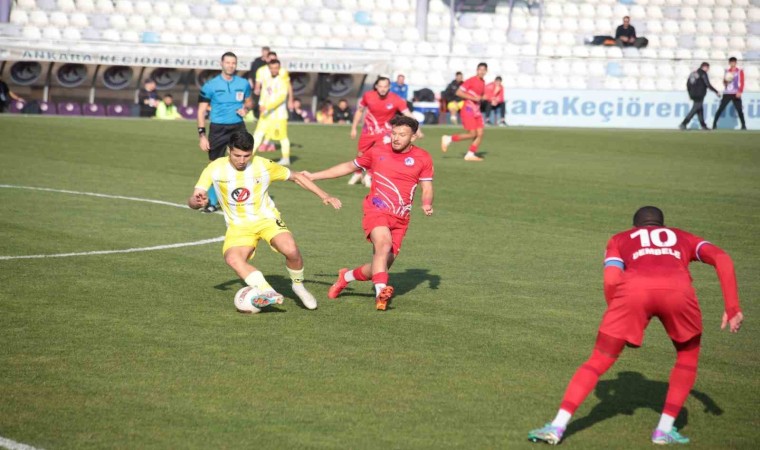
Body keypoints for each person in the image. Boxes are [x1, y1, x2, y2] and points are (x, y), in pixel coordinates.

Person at [528, 206, 743, 445]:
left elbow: (611, 278)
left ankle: (557, 427)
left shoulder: (620, 239)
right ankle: (663, 430)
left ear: (635, 227)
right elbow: (722, 258)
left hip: (633, 293)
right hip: (678, 292)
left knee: (599, 358)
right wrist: (732, 307)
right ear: (662, 225)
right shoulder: (683, 236)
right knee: (687, 356)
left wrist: (619, 314)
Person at [188, 130, 341, 311]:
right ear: (229, 150)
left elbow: (297, 176)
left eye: (247, 155)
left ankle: (298, 286)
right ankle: (268, 292)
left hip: (266, 219)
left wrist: (324, 195)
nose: (242, 160)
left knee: (291, 250)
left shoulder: (263, 165)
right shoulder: (215, 168)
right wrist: (197, 201)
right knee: (233, 259)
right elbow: (193, 200)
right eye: (237, 155)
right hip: (239, 226)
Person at [302, 116, 434, 311]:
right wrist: (314, 175)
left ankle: (345, 277)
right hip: (376, 209)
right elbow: (348, 167)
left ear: (413, 137)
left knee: (380, 265)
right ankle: (381, 292)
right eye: (394, 133)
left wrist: (426, 203)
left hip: (401, 217)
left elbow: (427, 186)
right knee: (383, 244)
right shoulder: (378, 151)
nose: (396, 138)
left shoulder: (423, 157)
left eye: (402, 135)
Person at [197, 52, 252, 213]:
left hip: (238, 127)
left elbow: (249, 101)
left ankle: (243, 200)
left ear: (236, 65)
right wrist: (202, 135)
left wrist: (246, 108)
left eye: (233, 63)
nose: (230, 65)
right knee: (215, 166)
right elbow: (201, 111)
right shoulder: (210, 85)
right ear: (221, 63)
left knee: (243, 163)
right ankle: (213, 202)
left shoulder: (243, 83)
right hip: (218, 129)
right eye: (227, 62)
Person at [349, 76, 422, 186]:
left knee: (380, 153)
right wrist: (353, 128)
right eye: (380, 86)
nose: (383, 89)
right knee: (361, 153)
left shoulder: (396, 99)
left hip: (386, 132)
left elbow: (407, 113)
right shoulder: (368, 96)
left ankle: (370, 175)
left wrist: (417, 129)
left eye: (385, 86)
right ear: (376, 87)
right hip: (369, 130)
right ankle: (358, 173)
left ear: (389, 87)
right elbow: (360, 111)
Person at [441, 62, 488, 161]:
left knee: (480, 133)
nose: (482, 72)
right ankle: (449, 139)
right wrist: (473, 98)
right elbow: (458, 92)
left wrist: (483, 97)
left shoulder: (483, 82)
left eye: (484, 70)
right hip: (468, 109)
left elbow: (479, 96)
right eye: (480, 69)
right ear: (477, 70)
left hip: (477, 111)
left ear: (486, 71)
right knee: (472, 134)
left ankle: (470, 154)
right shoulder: (471, 80)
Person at [253, 59, 293, 166]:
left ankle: (286, 158)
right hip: (265, 115)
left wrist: (267, 107)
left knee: (282, 137)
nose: (274, 70)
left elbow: (281, 97)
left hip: (279, 116)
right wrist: (261, 104)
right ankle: (249, 156)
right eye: (272, 68)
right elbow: (264, 94)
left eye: (276, 68)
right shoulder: (267, 80)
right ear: (269, 68)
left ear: (279, 68)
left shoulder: (283, 81)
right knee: (257, 134)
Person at [679, 62, 720, 131]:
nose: (708, 70)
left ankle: (703, 125)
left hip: (693, 94)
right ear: (705, 67)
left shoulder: (693, 73)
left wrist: (690, 94)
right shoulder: (703, 73)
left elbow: (688, 84)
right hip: (700, 94)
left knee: (700, 110)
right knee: (695, 109)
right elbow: (707, 84)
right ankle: (683, 123)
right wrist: (716, 91)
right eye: (707, 68)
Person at [712, 57, 747, 130]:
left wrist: (740, 91)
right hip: (727, 93)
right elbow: (724, 82)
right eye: (731, 62)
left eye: (734, 62)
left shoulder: (740, 71)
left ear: (736, 63)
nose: (733, 63)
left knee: (739, 110)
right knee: (721, 108)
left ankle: (743, 125)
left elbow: (742, 82)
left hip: (736, 93)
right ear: (729, 63)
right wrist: (726, 81)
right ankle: (714, 124)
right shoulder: (727, 71)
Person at [248, 46, 270, 120]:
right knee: (255, 101)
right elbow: (251, 72)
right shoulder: (256, 61)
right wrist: (250, 80)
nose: (265, 53)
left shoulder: (269, 63)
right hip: (256, 85)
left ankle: (263, 116)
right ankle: (255, 115)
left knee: (264, 101)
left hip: (266, 86)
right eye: (264, 51)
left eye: (266, 52)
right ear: (262, 52)